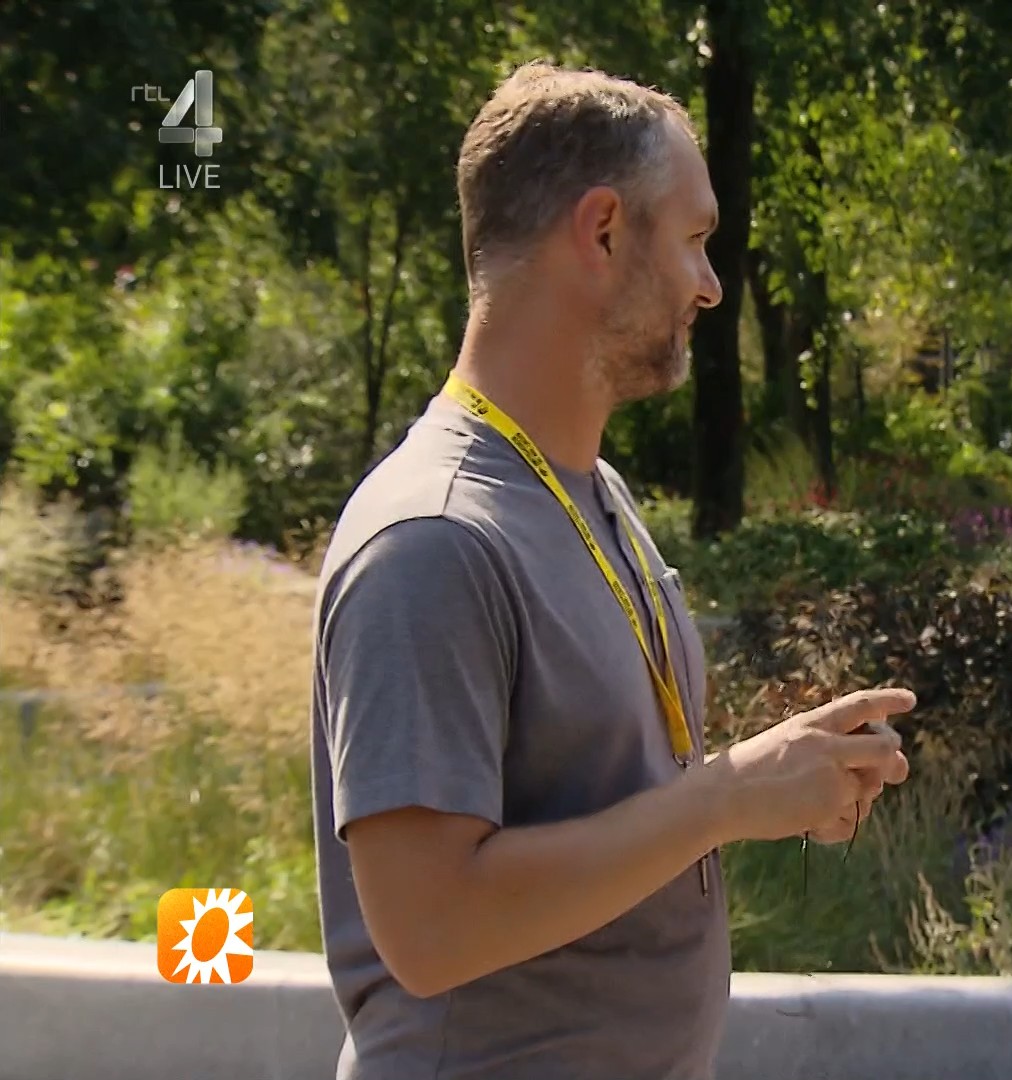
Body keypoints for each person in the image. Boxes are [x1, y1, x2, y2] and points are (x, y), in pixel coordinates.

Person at [308, 61, 917, 1080]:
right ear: (600, 232)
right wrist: (724, 799)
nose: (710, 286)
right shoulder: (430, 539)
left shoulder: (591, 491)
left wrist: (775, 783)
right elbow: (430, 927)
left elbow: (615, 803)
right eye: (694, 239)